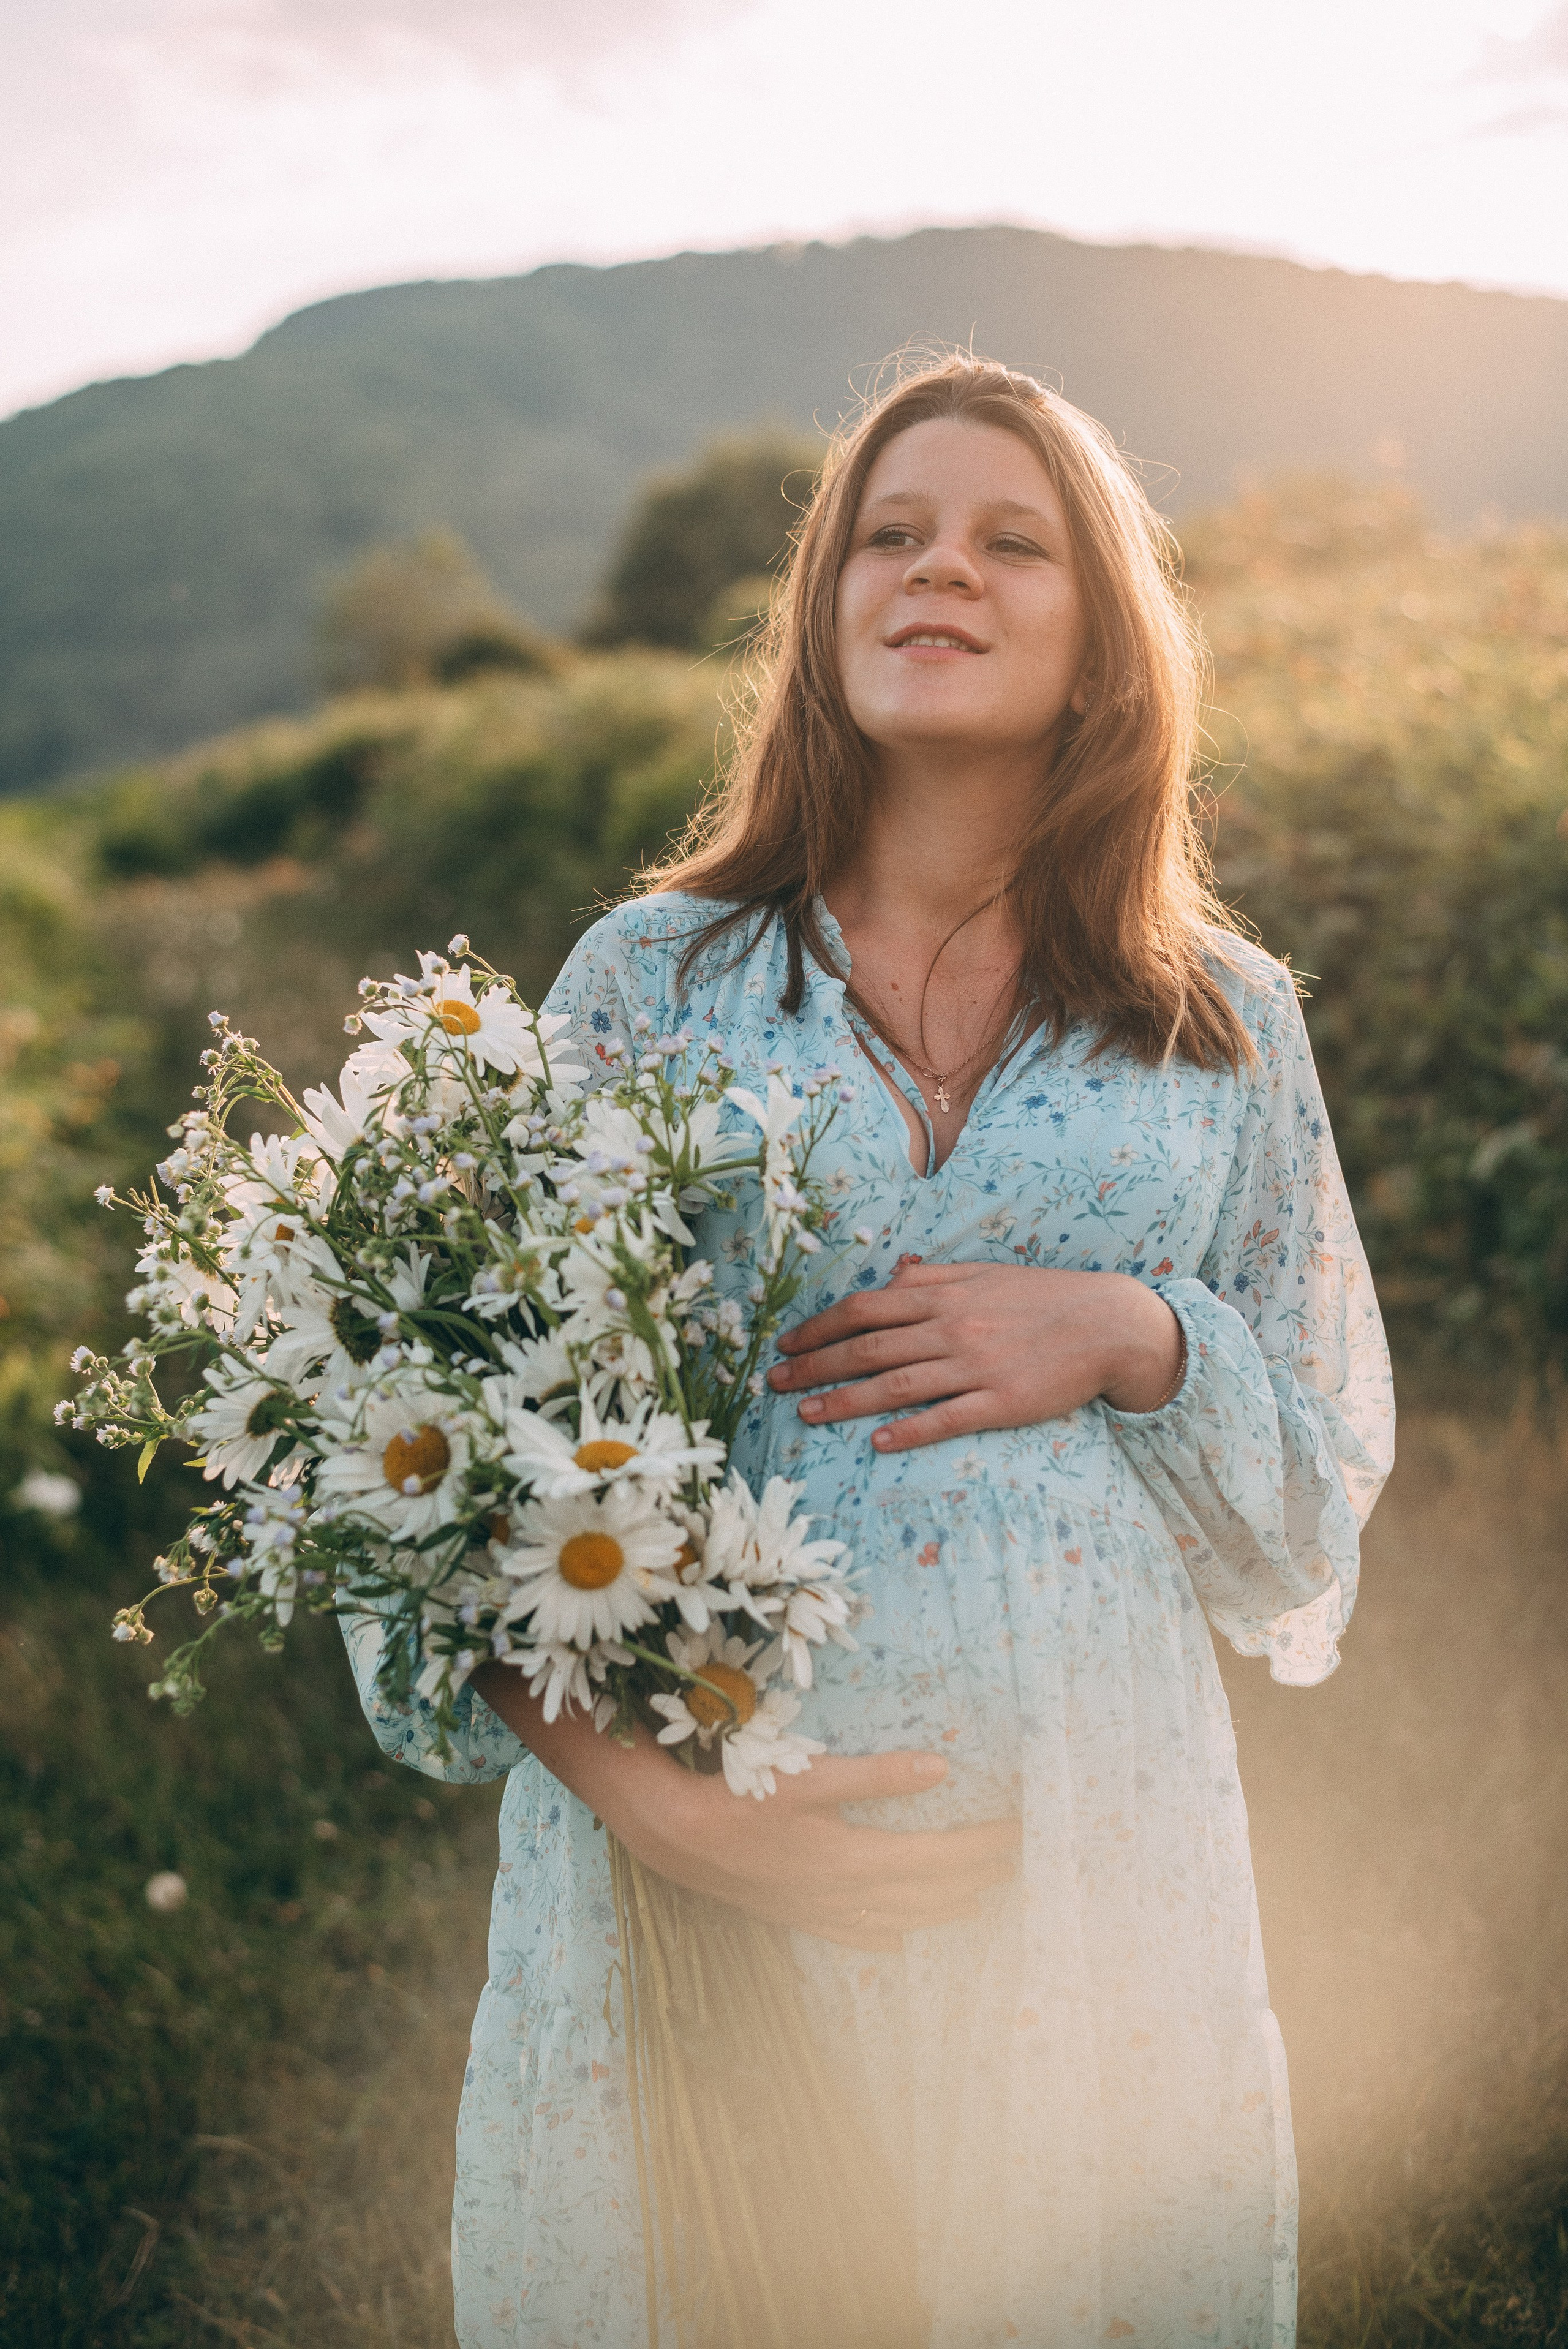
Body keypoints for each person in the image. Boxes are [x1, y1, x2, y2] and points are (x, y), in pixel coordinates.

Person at [345, 352, 1393, 2348]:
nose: (942, 570)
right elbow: (463, 1460)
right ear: (823, 622)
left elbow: (1310, 1498)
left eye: (1013, 541)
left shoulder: (1221, 1019)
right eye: (890, 538)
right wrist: (664, 1808)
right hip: (700, 1848)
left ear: (1103, 642)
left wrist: (1136, 1329)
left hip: (1091, 1847)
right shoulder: (650, 978)